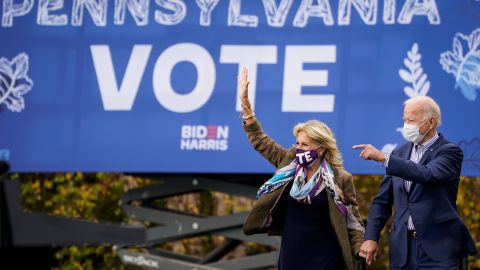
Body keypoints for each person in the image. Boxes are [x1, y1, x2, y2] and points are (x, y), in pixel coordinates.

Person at [239, 67, 365, 270]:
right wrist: (246, 107)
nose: (299, 149)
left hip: (326, 258)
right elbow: (261, 141)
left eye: (305, 145)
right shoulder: (289, 164)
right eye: (297, 143)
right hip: (292, 255)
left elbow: (353, 222)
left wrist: (360, 249)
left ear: (321, 149)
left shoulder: (340, 178)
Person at [353, 96, 477, 269]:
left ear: (431, 122)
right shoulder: (399, 153)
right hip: (402, 249)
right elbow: (382, 201)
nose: (406, 125)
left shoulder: (449, 152)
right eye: (404, 120)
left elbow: (428, 174)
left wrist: (383, 157)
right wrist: (371, 237)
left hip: (438, 249)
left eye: (411, 120)